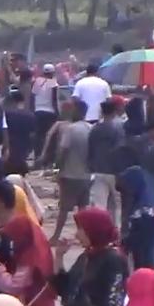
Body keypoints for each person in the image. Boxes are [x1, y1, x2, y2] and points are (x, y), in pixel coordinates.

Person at [53, 100, 93, 240]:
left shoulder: (70, 129)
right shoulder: (90, 128)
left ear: (77, 111)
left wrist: (58, 167)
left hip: (70, 174)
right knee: (82, 207)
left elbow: (63, 150)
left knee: (64, 208)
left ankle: (56, 236)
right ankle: (84, 235)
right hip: (86, 175)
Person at [118, 165, 154, 270]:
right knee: (150, 258)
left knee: (139, 259)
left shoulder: (132, 192)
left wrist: (124, 236)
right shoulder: (149, 187)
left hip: (139, 224)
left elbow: (127, 214)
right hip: (152, 222)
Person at [87, 100, 123, 219]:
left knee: (99, 205)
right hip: (115, 172)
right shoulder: (119, 128)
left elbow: (90, 148)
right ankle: (115, 232)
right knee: (116, 206)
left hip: (99, 170)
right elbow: (120, 150)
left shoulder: (95, 129)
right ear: (114, 112)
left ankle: (99, 230)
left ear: (102, 112)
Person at [3, 92, 36, 176]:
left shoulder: (6, 115)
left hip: (9, 155)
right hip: (22, 154)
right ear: (23, 101)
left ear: (12, 101)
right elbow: (32, 135)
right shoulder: (30, 116)